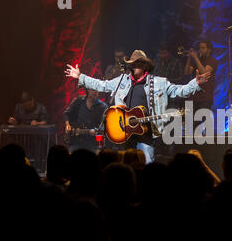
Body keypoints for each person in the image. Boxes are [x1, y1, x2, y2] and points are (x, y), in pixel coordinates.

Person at [65, 49, 210, 163]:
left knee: (145, 165)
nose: (134, 66)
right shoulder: (122, 80)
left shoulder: (159, 82)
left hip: (146, 133)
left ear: (145, 66)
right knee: (126, 166)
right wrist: (80, 76)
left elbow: (180, 91)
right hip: (125, 132)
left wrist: (195, 83)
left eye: (137, 63)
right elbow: (101, 85)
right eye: (132, 63)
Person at [184, 40, 218, 111]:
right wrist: (189, 58)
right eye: (199, 48)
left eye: (203, 48)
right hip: (193, 96)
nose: (200, 50)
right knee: (190, 121)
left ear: (209, 50)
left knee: (204, 121)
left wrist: (195, 58)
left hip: (205, 98)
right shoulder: (197, 61)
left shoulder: (213, 61)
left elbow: (204, 73)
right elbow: (187, 72)